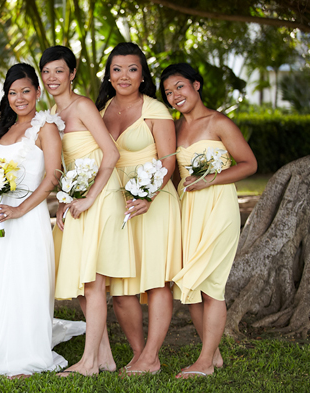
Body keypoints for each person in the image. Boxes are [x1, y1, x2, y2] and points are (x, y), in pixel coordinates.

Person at [0, 63, 67, 377]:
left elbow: (53, 176)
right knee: (0, 282)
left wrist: (20, 210)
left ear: (38, 92)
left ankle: (27, 355)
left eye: (26, 91)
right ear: (5, 97)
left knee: (27, 282)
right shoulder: (2, 130)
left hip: (29, 217)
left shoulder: (45, 127)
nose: (19, 98)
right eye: (12, 92)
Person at [39, 45, 135, 376]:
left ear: (73, 73)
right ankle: (104, 356)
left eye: (59, 71)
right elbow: (67, 165)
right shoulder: (52, 112)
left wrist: (91, 197)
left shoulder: (82, 106)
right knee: (83, 282)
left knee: (93, 281)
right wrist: (66, 201)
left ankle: (89, 362)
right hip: (78, 200)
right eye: (47, 71)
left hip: (101, 197)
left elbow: (110, 154)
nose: (52, 78)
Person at [160, 63, 257, 378]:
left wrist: (211, 179)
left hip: (218, 207)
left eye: (180, 87)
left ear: (196, 85)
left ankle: (204, 364)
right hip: (189, 211)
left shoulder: (218, 122)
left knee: (212, 285)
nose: (175, 95)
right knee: (192, 285)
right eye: (168, 92)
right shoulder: (175, 129)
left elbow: (249, 164)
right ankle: (211, 355)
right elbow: (173, 173)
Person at [96, 42, 182, 376]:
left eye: (132, 69)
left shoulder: (156, 110)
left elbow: (168, 162)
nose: (124, 76)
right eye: (117, 69)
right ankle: (138, 353)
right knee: (121, 283)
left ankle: (152, 355)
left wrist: (148, 195)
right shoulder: (102, 109)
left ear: (142, 74)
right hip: (117, 203)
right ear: (109, 74)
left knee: (156, 280)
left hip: (154, 202)